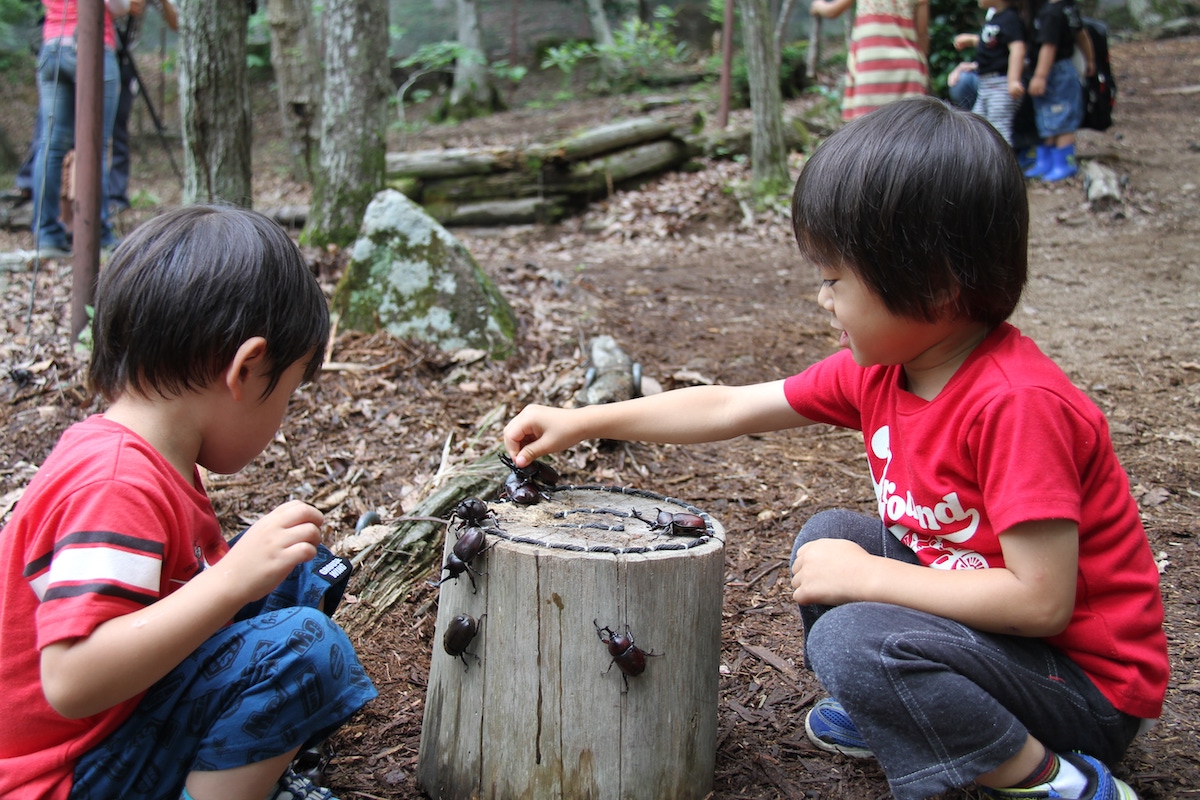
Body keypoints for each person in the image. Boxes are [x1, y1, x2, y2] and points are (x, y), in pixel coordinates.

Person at [501, 98, 1167, 800]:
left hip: (1084, 689)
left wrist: (870, 581)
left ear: (935, 286)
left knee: (850, 633)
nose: (822, 300)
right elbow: (730, 404)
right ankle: (910, 709)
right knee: (831, 537)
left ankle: (1059, 781)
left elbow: (1041, 604)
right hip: (997, 648)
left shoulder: (1016, 404)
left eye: (832, 280)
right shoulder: (884, 370)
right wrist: (584, 419)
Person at [0, 205, 377, 800]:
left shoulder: (144, 457)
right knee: (305, 649)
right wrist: (228, 583)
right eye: (289, 391)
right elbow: (71, 678)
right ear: (247, 369)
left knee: (295, 572)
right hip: (66, 775)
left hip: (112, 731)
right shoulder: (115, 484)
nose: (283, 416)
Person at [31, 0, 128, 256]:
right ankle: (99, 235)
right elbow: (117, 5)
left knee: (50, 146)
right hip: (91, 47)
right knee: (95, 144)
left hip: (52, 47)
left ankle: (47, 235)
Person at [108, 0, 178, 216]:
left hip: (123, 59)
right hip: (95, 52)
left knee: (119, 128)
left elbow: (176, 22)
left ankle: (116, 195)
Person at [811, 0, 929, 120]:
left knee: (868, 127)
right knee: (910, 127)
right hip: (906, 68)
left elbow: (832, 11)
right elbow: (922, 33)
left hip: (871, 69)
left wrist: (818, 6)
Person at [1024, 0, 1094, 181]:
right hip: (1053, 71)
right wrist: (1091, 59)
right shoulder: (1065, 8)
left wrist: (1040, 76)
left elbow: (1049, 46)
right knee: (1046, 116)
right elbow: (1082, 35)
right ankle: (1045, 161)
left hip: (1056, 72)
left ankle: (1064, 163)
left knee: (1062, 118)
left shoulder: (1053, 13)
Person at [953, 0, 1026, 146]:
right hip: (985, 85)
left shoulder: (1010, 19)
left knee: (999, 130)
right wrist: (972, 40)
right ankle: (981, 164)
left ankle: (1002, 167)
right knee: (976, 126)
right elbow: (993, 42)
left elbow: (1018, 49)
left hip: (1001, 84)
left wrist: (1013, 80)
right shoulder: (995, 18)